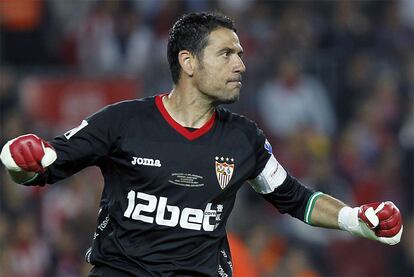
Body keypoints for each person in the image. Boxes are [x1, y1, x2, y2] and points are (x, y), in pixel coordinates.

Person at [0, 12, 403, 277]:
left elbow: (298, 200)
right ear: (188, 62)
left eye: (241, 54)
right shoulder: (123, 121)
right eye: (227, 54)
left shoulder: (245, 138)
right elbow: (41, 167)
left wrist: (355, 218)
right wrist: (20, 158)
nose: (241, 65)